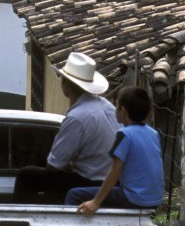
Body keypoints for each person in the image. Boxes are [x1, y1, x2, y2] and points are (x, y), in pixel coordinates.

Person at [12, 52, 119, 205]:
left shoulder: (77, 117)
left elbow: (54, 166)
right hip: (112, 180)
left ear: (66, 86)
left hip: (90, 182)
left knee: (26, 176)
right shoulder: (107, 106)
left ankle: (21, 219)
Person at [67, 86, 165, 214]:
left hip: (134, 198)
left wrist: (96, 202)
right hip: (155, 199)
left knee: (74, 194)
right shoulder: (153, 133)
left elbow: (115, 171)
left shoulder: (125, 134)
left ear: (123, 111)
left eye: (116, 105)